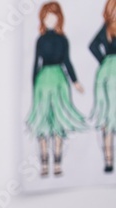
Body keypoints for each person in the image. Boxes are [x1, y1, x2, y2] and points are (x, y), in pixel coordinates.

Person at [26, 1, 87, 177]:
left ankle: (58, 162)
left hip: (59, 80)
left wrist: (75, 81)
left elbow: (67, 61)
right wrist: (33, 86)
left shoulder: (63, 39)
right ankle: (44, 163)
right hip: (43, 81)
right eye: (46, 17)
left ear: (59, 18)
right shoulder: (40, 39)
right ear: (42, 19)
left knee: (58, 123)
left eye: (53, 16)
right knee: (43, 123)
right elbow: (35, 63)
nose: (49, 20)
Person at [89, 0, 116, 173]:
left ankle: (108, 161)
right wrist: (104, 62)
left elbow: (92, 46)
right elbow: (92, 46)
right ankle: (108, 160)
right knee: (108, 117)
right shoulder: (105, 28)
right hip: (107, 75)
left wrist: (104, 62)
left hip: (106, 71)